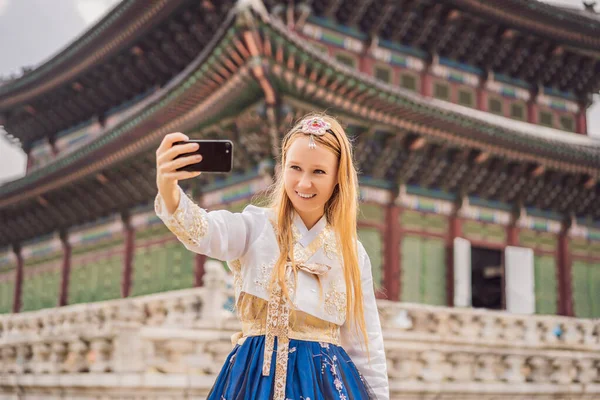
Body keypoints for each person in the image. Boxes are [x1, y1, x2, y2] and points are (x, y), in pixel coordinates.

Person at [154, 114, 389, 400]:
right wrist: (168, 188)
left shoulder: (351, 252)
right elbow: (202, 231)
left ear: (339, 178)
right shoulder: (255, 227)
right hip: (255, 379)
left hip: (323, 385)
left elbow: (366, 347)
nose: (303, 183)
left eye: (318, 172)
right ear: (282, 168)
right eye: (295, 168)